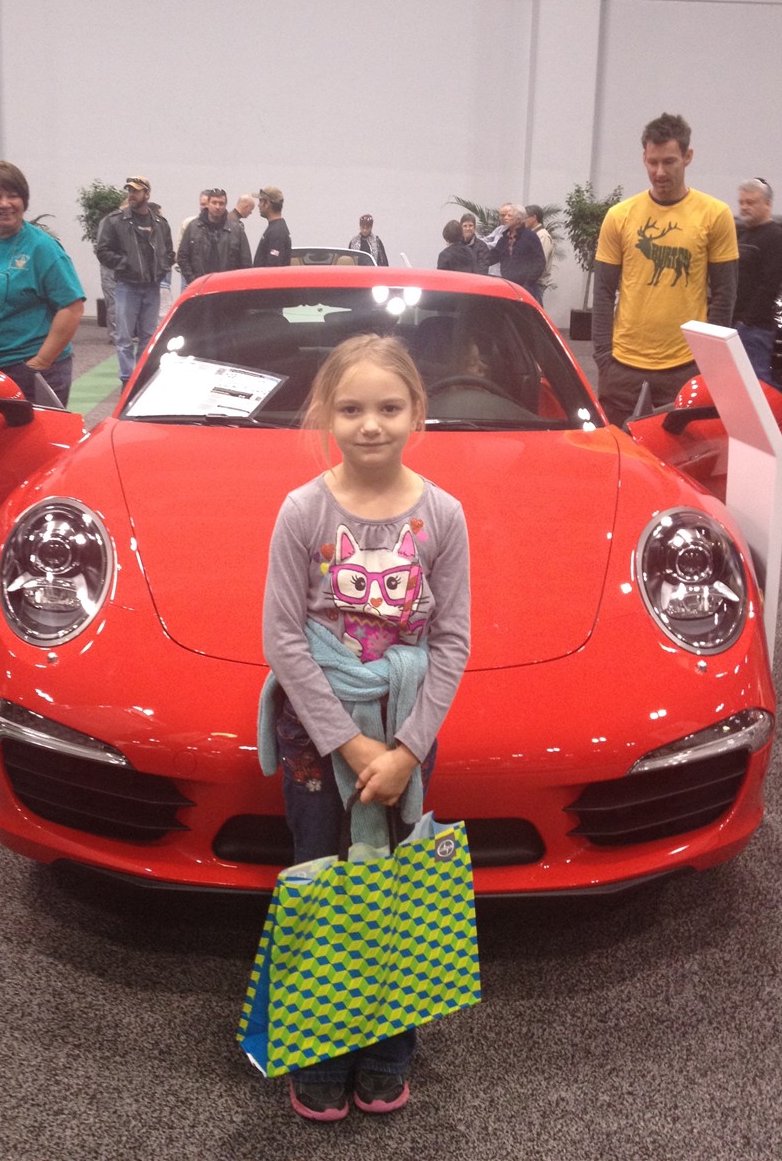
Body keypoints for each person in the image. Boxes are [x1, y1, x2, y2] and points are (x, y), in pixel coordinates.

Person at [261, 334, 469, 1121]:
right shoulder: (303, 510)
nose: (370, 423)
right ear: (326, 412)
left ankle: (387, 1046)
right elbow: (283, 637)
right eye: (351, 408)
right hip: (320, 736)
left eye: (389, 406)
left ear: (418, 410)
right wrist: (349, 745)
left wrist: (408, 748)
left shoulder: (443, 514)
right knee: (321, 880)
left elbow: (452, 640)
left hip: (404, 725)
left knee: (397, 887)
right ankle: (319, 1045)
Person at [593, 112, 739, 427]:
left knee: (682, 456)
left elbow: (725, 293)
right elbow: (603, 291)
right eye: (653, 162)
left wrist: (709, 363)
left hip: (685, 368)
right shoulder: (619, 216)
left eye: (669, 162)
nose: (660, 172)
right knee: (618, 453)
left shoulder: (715, 215)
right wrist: (604, 358)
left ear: (687, 157)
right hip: (622, 368)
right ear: (644, 158)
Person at [0, 160, 85, 405]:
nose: (5, 204)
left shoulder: (42, 248)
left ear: (24, 201)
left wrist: (41, 362)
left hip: (35, 369)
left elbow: (72, 307)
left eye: (13, 196)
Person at [96, 176, 174, 387]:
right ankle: (127, 379)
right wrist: (125, 264)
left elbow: (169, 252)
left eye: (136, 191)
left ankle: (140, 377)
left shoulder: (160, 224)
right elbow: (103, 251)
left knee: (148, 336)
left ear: (147, 194)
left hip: (152, 287)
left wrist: (162, 268)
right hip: (127, 286)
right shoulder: (115, 221)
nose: (131, 194)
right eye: (129, 190)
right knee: (124, 337)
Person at [731, 178, 782, 384]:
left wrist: (747, 321)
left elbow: (770, 284)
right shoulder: (743, 235)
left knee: (756, 384)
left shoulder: (776, 237)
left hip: (754, 328)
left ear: (767, 203)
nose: (744, 207)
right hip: (735, 323)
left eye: (750, 202)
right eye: (741, 202)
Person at [177, 187, 251, 282]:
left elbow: (246, 262)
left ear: (225, 205)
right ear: (208, 204)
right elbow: (182, 257)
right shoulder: (193, 227)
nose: (217, 207)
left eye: (221, 203)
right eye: (214, 202)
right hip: (200, 285)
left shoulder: (236, 230)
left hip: (227, 285)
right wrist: (192, 280)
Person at [487, 204, 545, 300]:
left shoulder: (530, 237)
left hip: (526, 288)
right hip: (508, 287)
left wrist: (528, 283)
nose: (505, 218)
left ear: (519, 219)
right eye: (505, 215)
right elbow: (493, 256)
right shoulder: (504, 239)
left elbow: (539, 262)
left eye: (509, 215)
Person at [253, 186, 292, 268]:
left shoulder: (277, 232)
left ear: (267, 204)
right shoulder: (276, 228)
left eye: (260, 201)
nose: (258, 205)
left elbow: (273, 266)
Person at [524, 205, 555, 304]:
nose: (523, 221)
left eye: (525, 217)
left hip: (535, 283)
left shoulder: (542, 236)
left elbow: (540, 261)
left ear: (534, 218)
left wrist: (528, 280)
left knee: (531, 311)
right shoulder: (530, 234)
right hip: (528, 282)